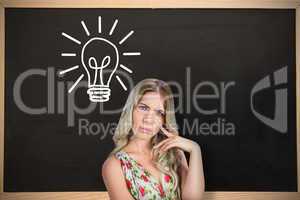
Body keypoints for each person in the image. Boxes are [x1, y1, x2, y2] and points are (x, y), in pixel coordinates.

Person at [102, 78, 205, 200]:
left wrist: (195, 149)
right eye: (144, 108)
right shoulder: (115, 165)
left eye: (159, 112)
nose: (149, 119)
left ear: (165, 119)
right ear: (131, 110)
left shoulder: (173, 153)